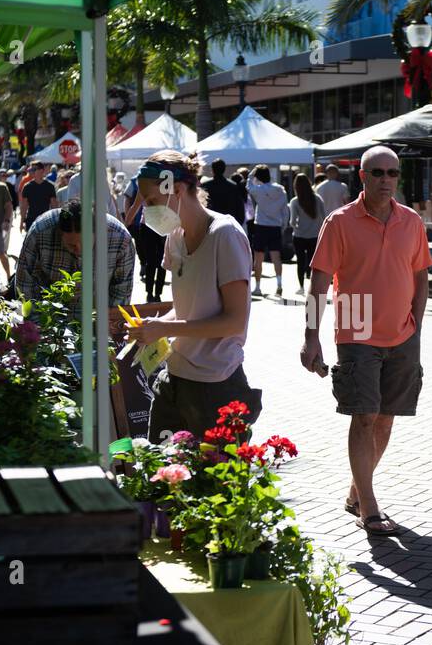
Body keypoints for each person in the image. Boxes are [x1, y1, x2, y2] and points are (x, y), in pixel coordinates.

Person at [301, 146, 432, 536]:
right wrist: (312, 337)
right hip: (356, 325)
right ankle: (370, 507)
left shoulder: (411, 222)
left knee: (386, 418)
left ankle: (357, 491)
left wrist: (417, 324)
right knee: (364, 415)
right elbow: (319, 283)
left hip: (402, 333)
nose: (386, 180)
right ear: (362, 177)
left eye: (392, 173)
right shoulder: (339, 222)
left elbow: (422, 275)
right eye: (377, 173)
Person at [126, 150, 260, 441]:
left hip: (216, 383)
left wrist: (164, 328)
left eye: (151, 202)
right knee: (160, 474)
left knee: (216, 480)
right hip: (174, 376)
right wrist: (152, 328)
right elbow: (187, 307)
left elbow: (234, 322)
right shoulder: (175, 237)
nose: (148, 212)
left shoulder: (225, 234)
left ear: (176, 190)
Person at [16, 197, 135, 313]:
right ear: (59, 233)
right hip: (49, 316)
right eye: (71, 245)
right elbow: (25, 285)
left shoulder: (121, 239)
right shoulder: (39, 233)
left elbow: (120, 294)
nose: (79, 250)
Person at [123, 174, 168, 302]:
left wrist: (127, 224)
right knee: (155, 262)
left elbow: (135, 207)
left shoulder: (161, 186)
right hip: (151, 226)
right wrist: (126, 225)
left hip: (156, 226)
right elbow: (135, 207)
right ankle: (152, 293)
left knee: (157, 262)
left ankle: (154, 293)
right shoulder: (158, 186)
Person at [247, 165, 288, 297]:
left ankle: (258, 287)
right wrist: (284, 225)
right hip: (275, 226)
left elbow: (248, 187)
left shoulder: (258, 190)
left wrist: (251, 174)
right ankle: (279, 284)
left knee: (258, 257)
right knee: (276, 257)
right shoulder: (280, 189)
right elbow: (285, 210)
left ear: (258, 177)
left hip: (261, 225)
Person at [289, 173, 323, 295]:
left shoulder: (294, 201)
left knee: (300, 261)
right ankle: (312, 286)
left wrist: (297, 226)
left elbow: (292, 221)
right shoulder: (317, 199)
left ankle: (301, 287)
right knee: (313, 261)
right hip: (314, 235)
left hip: (299, 235)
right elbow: (324, 217)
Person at [203, 158, 246, 225]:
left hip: (210, 223)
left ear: (212, 169)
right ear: (224, 169)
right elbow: (240, 209)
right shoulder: (233, 186)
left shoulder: (205, 185)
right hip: (229, 223)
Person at [18, 162, 57, 230]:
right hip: (31, 221)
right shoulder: (27, 186)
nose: (31, 171)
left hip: (46, 221)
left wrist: (55, 222)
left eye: (34, 169)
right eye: (31, 169)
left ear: (41, 170)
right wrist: (21, 222)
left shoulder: (50, 186)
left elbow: (54, 205)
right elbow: (24, 206)